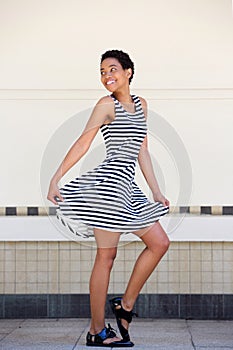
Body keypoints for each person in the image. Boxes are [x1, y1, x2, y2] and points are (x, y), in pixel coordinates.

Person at [47, 49, 170, 347]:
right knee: (106, 256)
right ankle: (96, 330)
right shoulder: (105, 105)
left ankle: (125, 305)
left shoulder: (142, 105)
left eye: (112, 69)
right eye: (102, 72)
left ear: (128, 71)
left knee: (160, 243)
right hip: (107, 188)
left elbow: (142, 150)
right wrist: (55, 177)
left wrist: (155, 191)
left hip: (128, 188)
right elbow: (84, 141)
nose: (107, 76)